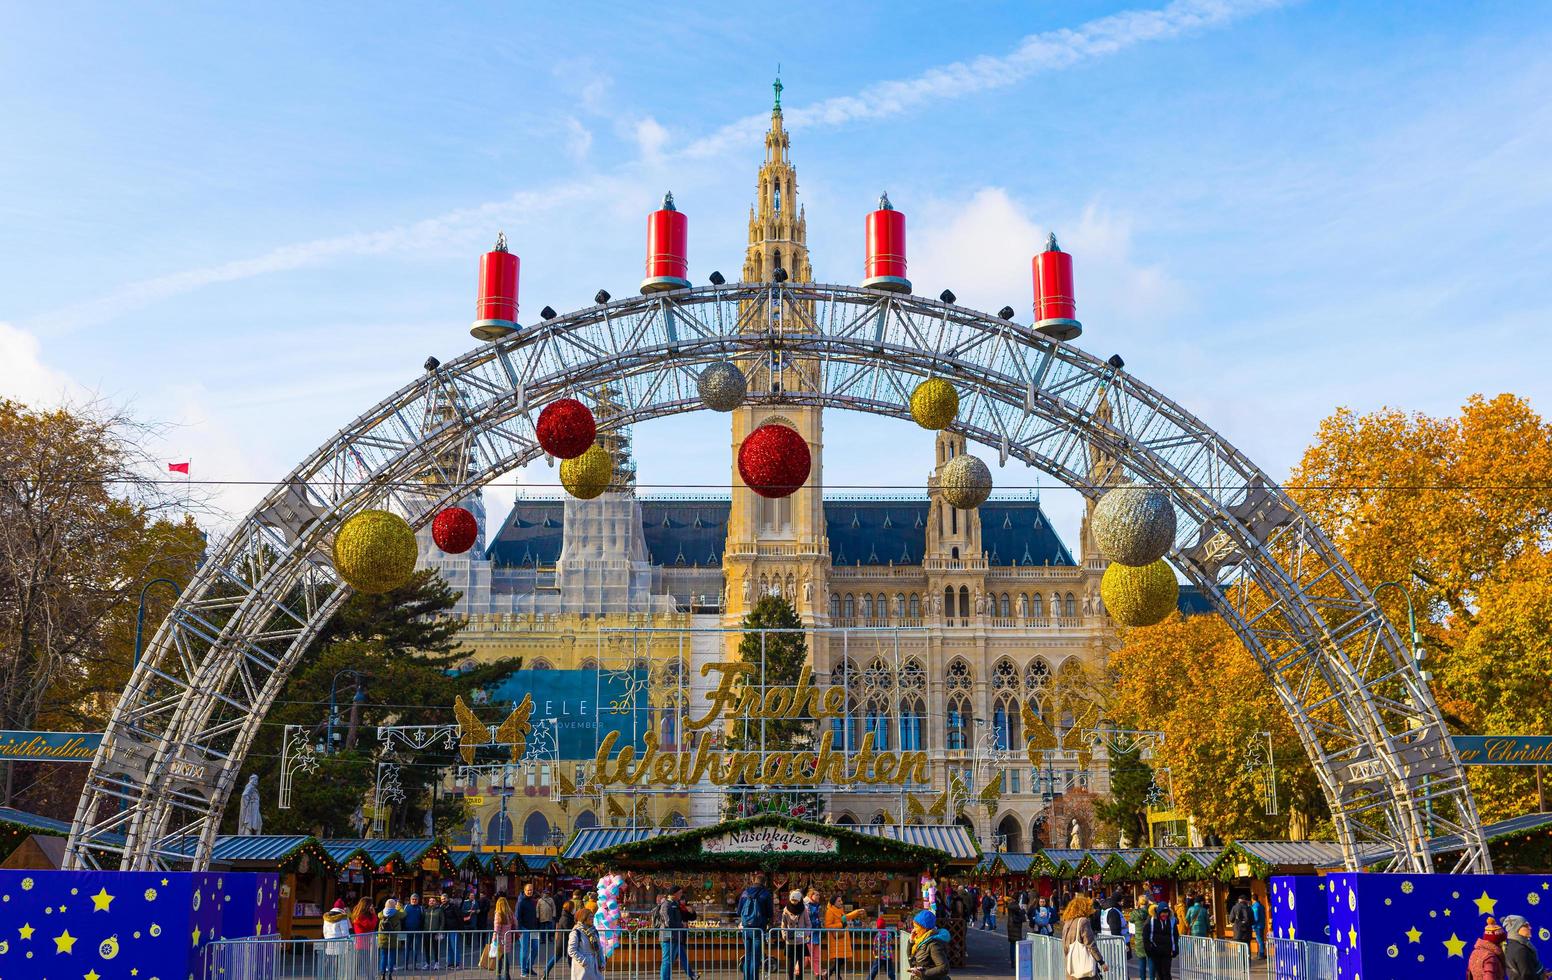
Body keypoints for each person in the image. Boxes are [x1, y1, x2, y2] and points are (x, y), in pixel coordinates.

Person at [656, 886, 700, 980]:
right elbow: (668, 922)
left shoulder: (675, 904)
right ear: (674, 894)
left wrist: (691, 912)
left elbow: (687, 916)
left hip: (676, 937)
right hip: (668, 937)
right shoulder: (666, 905)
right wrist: (682, 925)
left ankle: (690, 975)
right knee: (667, 961)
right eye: (679, 893)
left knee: (670, 961)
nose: (681, 895)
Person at [737, 872, 774, 980]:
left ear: (754, 881)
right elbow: (770, 913)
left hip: (746, 928)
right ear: (764, 882)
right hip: (758, 928)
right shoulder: (765, 894)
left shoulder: (744, 893)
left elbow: (739, 911)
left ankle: (746, 978)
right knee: (755, 957)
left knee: (748, 956)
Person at [1059, 895, 1105, 980]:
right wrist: (1101, 962)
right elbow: (1091, 945)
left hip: (1072, 967)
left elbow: (1065, 946)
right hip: (1083, 968)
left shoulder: (1067, 923)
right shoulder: (1083, 921)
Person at [824, 894, 867, 979]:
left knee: (840, 959)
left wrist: (857, 912)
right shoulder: (830, 911)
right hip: (836, 938)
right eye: (839, 901)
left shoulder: (839, 910)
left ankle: (835, 976)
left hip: (841, 938)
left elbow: (846, 917)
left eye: (841, 900)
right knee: (840, 959)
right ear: (834, 902)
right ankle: (828, 974)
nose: (841, 902)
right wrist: (841, 924)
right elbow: (828, 926)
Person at [906, 910, 950, 980]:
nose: (914, 930)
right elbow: (911, 961)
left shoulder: (933, 944)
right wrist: (910, 942)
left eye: (916, 927)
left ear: (924, 928)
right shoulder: (919, 941)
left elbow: (944, 967)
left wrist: (923, 973)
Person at [1503, 915, 1549, 980]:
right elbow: (1528, 976)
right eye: (1526, 925)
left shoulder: (1512, 945)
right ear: (1516, 928)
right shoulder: (1520, 950)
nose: (1530, 928)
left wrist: (1542, 974)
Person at [567, 907, 606, 980]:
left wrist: (602, 962)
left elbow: (599, 948)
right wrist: (584, 961)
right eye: (590, 917)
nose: (593, 919)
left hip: (595, 965)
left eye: (593, 916)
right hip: (582, 968)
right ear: (584, 918)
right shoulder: (576, 932)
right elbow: (571, 950)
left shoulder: (594, 931)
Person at [544, 900, 577, 980]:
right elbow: (569, 931)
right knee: (562, 958)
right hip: (563, 943)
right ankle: (546, 971)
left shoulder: (567, 916)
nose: (574, 909)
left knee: (568, 959)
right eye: (574, 908)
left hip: (563, 943)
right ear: (570, 908)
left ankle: (575, 975)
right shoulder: (566, 918)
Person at [1143, 905, 1178, 980]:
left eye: (1166, 912)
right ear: (1158, 912)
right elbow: (1145, 936)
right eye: (1163, 912)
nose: (1165, 914)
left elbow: (1175, 935)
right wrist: (1148, 950)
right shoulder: (1151, 920)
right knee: (1159, 973)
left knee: (1166, 972)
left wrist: (1175, 949)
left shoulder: (1171, 920)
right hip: (1155, 951)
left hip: (1167, 951)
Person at [781, 889, 809, 980]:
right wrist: (784, 934)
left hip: (800, 940)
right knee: (790, 962)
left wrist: (805, 934)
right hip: (790, 939)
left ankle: (799, 978)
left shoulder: (804, 910)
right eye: (792, 900)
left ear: (799, 900)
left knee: (800, 961)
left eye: (796, 900)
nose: (794, 902)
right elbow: (783, 924)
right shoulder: (786, 909)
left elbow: (808, 924)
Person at [323, 899, 352, 980]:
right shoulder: (342, 917)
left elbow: (324, 931)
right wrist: (348, 941)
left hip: (329, 942)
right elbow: (344, 932)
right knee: (339, 963)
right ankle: (337, 977)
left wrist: (327, 938)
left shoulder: (326, 917)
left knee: (329, 961)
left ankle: (327, 977)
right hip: (340, 943)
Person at [519, 883, 543, 976]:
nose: (530, 891)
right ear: (524, 890)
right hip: (524, 928)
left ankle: (529, 967)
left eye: (531, 890)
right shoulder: (521, 902)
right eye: (528, 890)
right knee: (524, 950)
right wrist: (519, 929)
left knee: (535, 948)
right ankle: (523, 970)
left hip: (534, 928)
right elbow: (518, 917)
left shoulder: (533, 901)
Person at [377, 897, 404, 980]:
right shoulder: (396, 913)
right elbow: (404, 914)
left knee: (383, 956)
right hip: (393, 938)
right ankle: (390, 973)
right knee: (392, 956)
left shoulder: (381, 914)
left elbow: (378, 915)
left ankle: (382, 974)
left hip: (382, 938)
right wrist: (399, 907)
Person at [352, 896, 378, 979]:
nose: (372, 906)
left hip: (364, 942)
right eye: (371, 905)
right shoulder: (361, 916)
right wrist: (374, 915)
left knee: (363, 962)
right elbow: (371, 926)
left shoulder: (361, 914)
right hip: (362, 942)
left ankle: (367, 977)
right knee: (361, 963)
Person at [493, 895, 517, 980]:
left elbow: (496, 928)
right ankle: (507, 975)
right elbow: (515, 923)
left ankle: (498, 975)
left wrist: (494, 940)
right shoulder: (510, 913)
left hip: (500, 938)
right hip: (508, 938)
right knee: (506, 957)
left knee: (499, 958)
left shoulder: (498, 914)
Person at [868, 912, 898, 980]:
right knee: (890, 971)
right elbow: (891, 942)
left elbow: (875, 945)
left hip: (879, 955)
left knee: (874, 971)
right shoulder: (888, 933)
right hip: (888, 955)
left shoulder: (878, 935)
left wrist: (874, 953)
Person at [1127, 902, 1153, 980]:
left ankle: (1142, 978)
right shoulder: (1150, 911)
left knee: (1141, 960)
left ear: (1139, 903)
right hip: (1150, 938)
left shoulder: (1134, 913)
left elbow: (1131, 922)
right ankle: (1152, 978)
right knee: (1151, 959)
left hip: (1139, 939)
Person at [805, 889, 826, 979]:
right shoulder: (806, 906)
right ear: (811, 896)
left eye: (818, 895)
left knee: (816, 956)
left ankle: (817, 975)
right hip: (808, 934)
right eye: (816, 895)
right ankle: (797, 973)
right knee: (806, 956)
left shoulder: (818, 906)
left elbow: (820, 918)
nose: (818, 896)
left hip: (817, 934)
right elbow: (807, 919)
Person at [538, 887, 558, 977]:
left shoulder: (551, 900)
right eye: (545, 893)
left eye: (547, 893)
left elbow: (554, 907)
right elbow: (537, 908)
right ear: (543, 893)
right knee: (542, 929)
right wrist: (537, 915)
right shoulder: (540, 900)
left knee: (549, 928)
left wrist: (554, 914)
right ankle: (543, 939)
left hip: (549, 916)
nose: (546, 894)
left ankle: (550, 937)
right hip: (542, 916)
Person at [444, 891, 467, 969]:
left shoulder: (453, 907)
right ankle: (450, 963)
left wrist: (461, 929)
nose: (443, 900)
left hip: (454, 929)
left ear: (448, 899)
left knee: (454, 946)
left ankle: (457, 963)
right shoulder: (442, 907)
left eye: (445, 898)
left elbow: (459, 917)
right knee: (449, 947)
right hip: (446, 930)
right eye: (442, 899)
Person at [403, 893, 425, 969]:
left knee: (415, 949)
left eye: (415, 899)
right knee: (406, 949)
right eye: (413, 899)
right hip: (407, 932)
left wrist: (421, 930)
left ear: (418, 900)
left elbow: (423, 920)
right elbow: (402, 919)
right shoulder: (405, 907)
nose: (414, 900)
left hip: (417, 932)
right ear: (410, 900)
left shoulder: (421, 908)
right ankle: (405, 966)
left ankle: (414, 965)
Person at [1005, 892, 1027, 969]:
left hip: (1012, 926)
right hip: (1015, 926)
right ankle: (1014, 961)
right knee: (1015, 944)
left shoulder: (1011, 905)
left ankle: (1013, 961)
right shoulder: (1015, 905)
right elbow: (1021, 913)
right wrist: (1023, 911)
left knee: (1013, 944)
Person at [1249, 893, 1266, 960]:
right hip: (1261, 925)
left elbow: (1256, 917)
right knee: (1260, 939)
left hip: (1257, 926)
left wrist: (1252, 924)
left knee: (1259, 940)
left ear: (1252, 899)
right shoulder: (1261, 905)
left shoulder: (1255, 906)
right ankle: (1262, 953)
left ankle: (1261, 954)